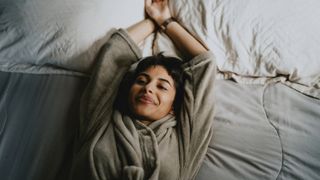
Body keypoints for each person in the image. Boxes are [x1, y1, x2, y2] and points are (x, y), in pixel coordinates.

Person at [69, 0, 216, 179]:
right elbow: (115, 50)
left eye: (162, 86)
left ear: (173, 106)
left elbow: (205, 63)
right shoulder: (100, 120)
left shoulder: (184, 139)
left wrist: (165, 21)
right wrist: (152, 20)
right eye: (141, 81)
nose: (148, 89)